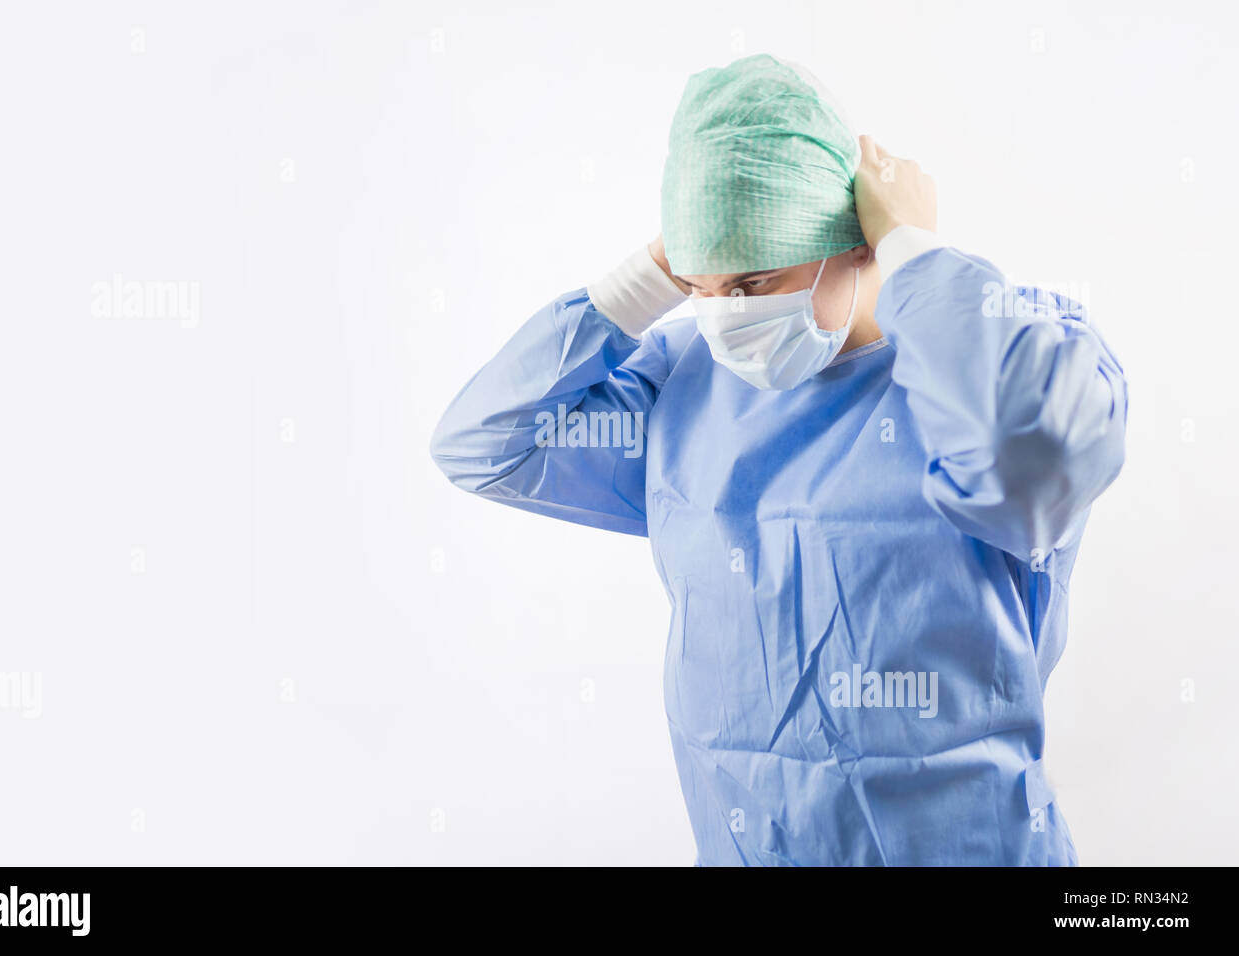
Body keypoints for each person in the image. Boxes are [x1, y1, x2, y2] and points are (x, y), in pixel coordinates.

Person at [430, 54, 1127, 866]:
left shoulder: (1005, 357)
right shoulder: (684, 383)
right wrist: (654, 275)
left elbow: (1029, 451)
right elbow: (484, 444)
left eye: (757, 279)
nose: (729, 317)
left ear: (851, 244)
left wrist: (911, 246)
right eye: (704, 286)